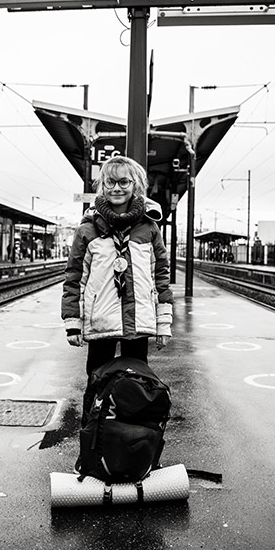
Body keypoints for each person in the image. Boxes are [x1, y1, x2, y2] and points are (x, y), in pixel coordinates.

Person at [62, 156, 174, 423]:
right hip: (101, 321)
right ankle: (93, 442)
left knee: (137, 386)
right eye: (110, 181)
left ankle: (130, 445)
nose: (116, 188)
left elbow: (161, 276)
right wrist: (73, 322)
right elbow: (75, 277)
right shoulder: (87, 229)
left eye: (124, 181)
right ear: (103, 185)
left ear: (135, 185)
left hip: (138, 320)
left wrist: (164, 322)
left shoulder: (149, 228)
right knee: (97, 383)